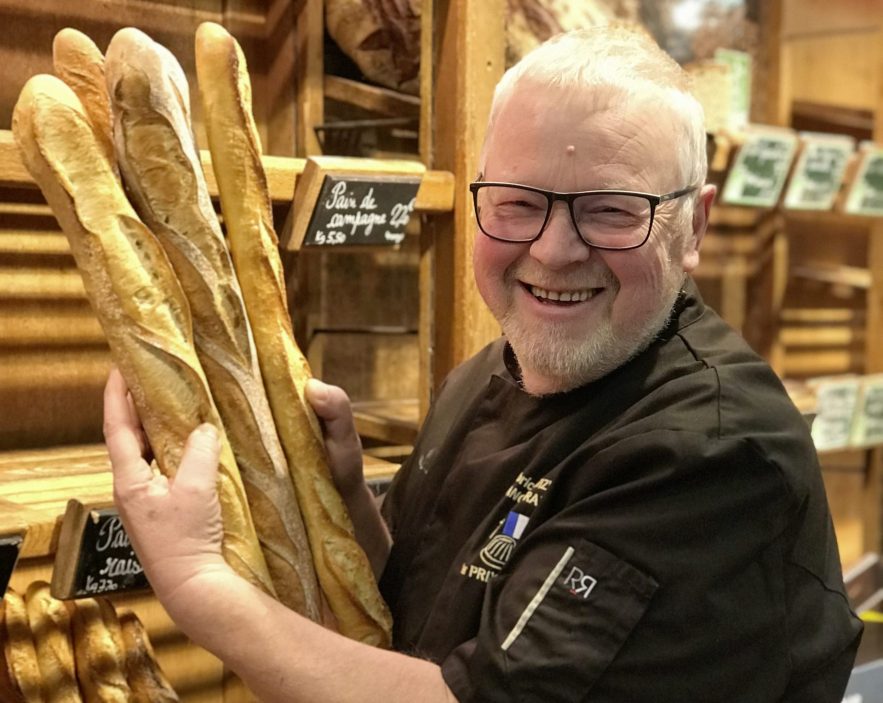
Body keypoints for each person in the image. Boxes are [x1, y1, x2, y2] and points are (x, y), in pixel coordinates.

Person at [105, 24, 863, 703]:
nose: (554, 250)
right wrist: (348, 498)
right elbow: (437, 611)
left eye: (610, 209)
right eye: (516, 202)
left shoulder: (712, 455)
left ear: (692, 225)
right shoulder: (490, 372)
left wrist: (199, 584)